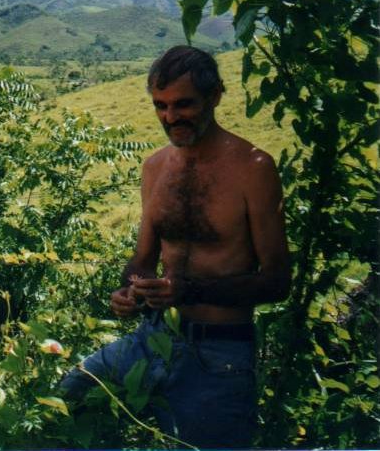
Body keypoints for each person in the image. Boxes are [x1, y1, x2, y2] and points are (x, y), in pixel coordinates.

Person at [60, 45, 291, 449]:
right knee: (66, 401)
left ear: (215, 95)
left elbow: (276, 281)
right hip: (152, 338)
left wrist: (189, 291)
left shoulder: (253, 169)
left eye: (183, 104)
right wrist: (129, 291)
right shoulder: (155, 167)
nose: (171, 117)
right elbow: (142, 260)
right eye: (160, 106)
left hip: (220, 352)